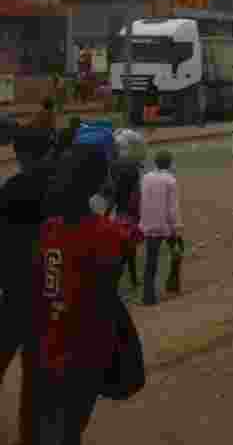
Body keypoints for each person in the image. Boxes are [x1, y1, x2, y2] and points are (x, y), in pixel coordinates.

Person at [34, 144, 137, 444]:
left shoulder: (50, 229)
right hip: (79, 348)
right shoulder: (107, 233)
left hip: (58, 345)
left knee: (58, 428)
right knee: (66, 430)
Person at [1, 133, 59, 445]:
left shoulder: (11, 188)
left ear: (20, 155)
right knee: (35, 380)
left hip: (13, 293)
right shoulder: (59, 189)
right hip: (47, 297)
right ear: (48, 153)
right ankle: (28, 438)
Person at [139, 150, 184, 306]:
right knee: (177, 252)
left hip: (148, 224)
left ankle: (148, 296)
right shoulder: (170, 180)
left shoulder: (145, 178)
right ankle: (173, 284)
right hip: (166, 225)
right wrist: (177, 227)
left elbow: (143, 200)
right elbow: (173, 208)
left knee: (151, 262)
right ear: (170, 163)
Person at [110, 156, 143, 289]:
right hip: (130, 222)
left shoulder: (118, 186)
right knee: (128, 254)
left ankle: (130, 280)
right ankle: (129, 280)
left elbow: (111, 204)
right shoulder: (135, 188)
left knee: (125, 254)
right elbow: (136, 207)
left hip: (119, 220)